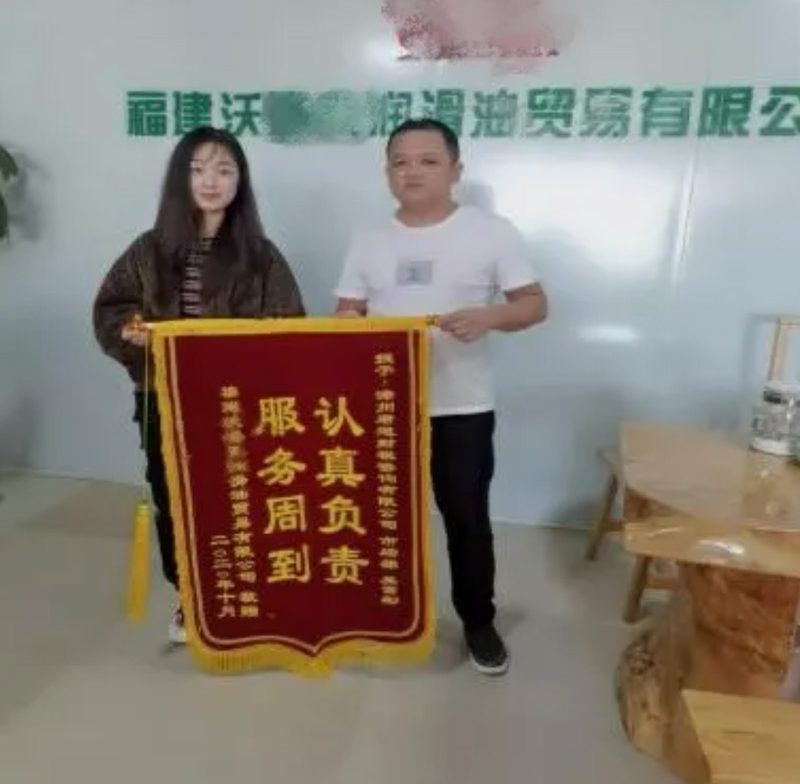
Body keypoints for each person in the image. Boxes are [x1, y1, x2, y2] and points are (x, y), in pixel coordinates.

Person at [334, 118, 547, 675]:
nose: (413, 172)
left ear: (456, 170)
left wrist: (488, 317)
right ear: (387, 173)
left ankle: (478, 621)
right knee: (372, 516)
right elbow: (347, 310)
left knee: (465, 517)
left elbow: (534, 304)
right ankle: (376, 613)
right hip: (382, 409)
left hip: (461, 407)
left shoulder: (492, 232)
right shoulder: (368, 238)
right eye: (400, 162)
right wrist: (351, 325)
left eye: (428, 161)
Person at [93, 126, 305, 644]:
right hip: (164, 399)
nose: (211, 181)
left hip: (238, 405)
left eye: (224, 170)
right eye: (198, 169)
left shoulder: (261, 255)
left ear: (240, 181)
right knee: (175, 499)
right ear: (180, 178)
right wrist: (132, 333)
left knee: (240, 498)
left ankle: (246, 591)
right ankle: (190, 596)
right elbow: (112, 308)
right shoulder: (148, 250)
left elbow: (289, 326)